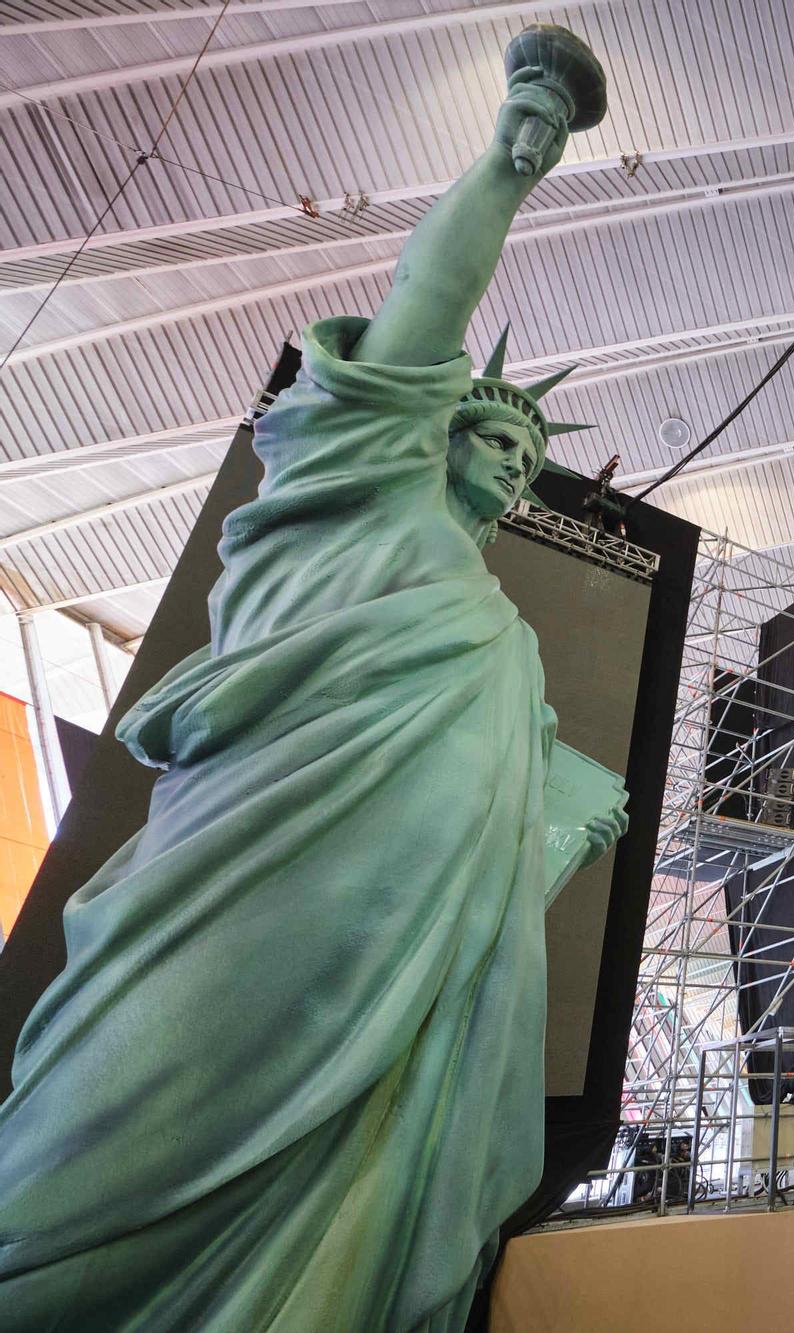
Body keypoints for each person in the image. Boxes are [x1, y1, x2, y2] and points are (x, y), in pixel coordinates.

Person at [0, 28, 624, 1333]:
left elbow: (492, 861)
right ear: (432, 426)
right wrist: (512, 164)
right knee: (87, 1175)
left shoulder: (503, 643)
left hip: (396, 1008)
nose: (512, 467)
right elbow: (424, 308)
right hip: (239, 916)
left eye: (525, 461)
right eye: (496, 433)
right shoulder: (357, 495)